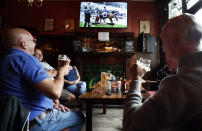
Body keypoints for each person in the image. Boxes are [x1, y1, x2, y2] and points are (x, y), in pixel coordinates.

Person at [123, 13, 202, 131]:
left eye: (164, 47)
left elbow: (131, 123)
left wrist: (135, 79)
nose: (164, 51)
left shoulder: (178, 84)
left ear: (174, 41)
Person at [0, 28, 84, 131]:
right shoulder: (26, 59)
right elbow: (55, 93)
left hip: (13, 120)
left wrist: (51, 105)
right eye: (33, 41)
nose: (35, 44)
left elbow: (20, 92)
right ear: (24, 44)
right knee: (79, 118)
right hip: (32, 121)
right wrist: (61, 72)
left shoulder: (5, 60)